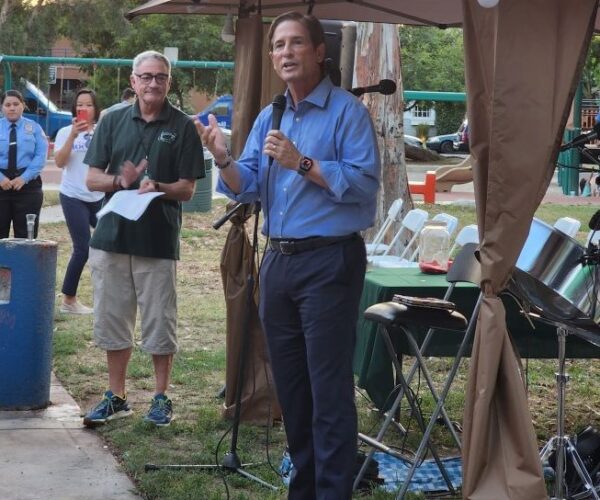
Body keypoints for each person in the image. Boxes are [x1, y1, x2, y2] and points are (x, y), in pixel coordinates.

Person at [197, 12, 380, 499]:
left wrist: (301, 162)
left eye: (296, 42)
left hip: (329, 261)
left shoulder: (347, 113)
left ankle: (334, 491)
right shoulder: (269, 115)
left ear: (320, 52)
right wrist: (221, 157)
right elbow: (249, 187)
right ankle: (305, 487)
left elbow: (363, 188)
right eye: (278, 45)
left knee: (328, 388)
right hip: (278, 262)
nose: (285, 52)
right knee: (292, 390)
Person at [82, 50, 205, 428]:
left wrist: (158, 186)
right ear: (133, 81)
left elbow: (187, 189)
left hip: (158, 240)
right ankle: (116, 396)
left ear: (169, 82)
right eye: (146, 76)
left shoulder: (183, 126)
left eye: (161, 77)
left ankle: (160, 397)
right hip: (112, 238)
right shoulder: (111, 119)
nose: (153, 83)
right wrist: (122, 181)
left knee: (159, 321)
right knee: (113, 320)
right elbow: (91, 179)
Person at [54, 88, 104, 315]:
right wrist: (74, 135)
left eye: (88, 105)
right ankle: (68, 300)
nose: (83, 108)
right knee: (82, 248)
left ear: (96, 109)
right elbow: (59, 162)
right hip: (73, 195)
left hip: (98, 196)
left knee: (108, 245)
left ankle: (107, 295)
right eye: (80, 105)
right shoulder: (66, 132)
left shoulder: (103, 131)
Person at [0, 89, 48, 238]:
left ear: (23, 105)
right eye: (7, 104)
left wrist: (24, 178)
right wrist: (1, 179)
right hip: (1, 184)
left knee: (27, 236)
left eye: (16, 104)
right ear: (2, 107)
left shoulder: (34, 128)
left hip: (28, 187)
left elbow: (40, 155)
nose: (12, 108)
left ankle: (23, 262)